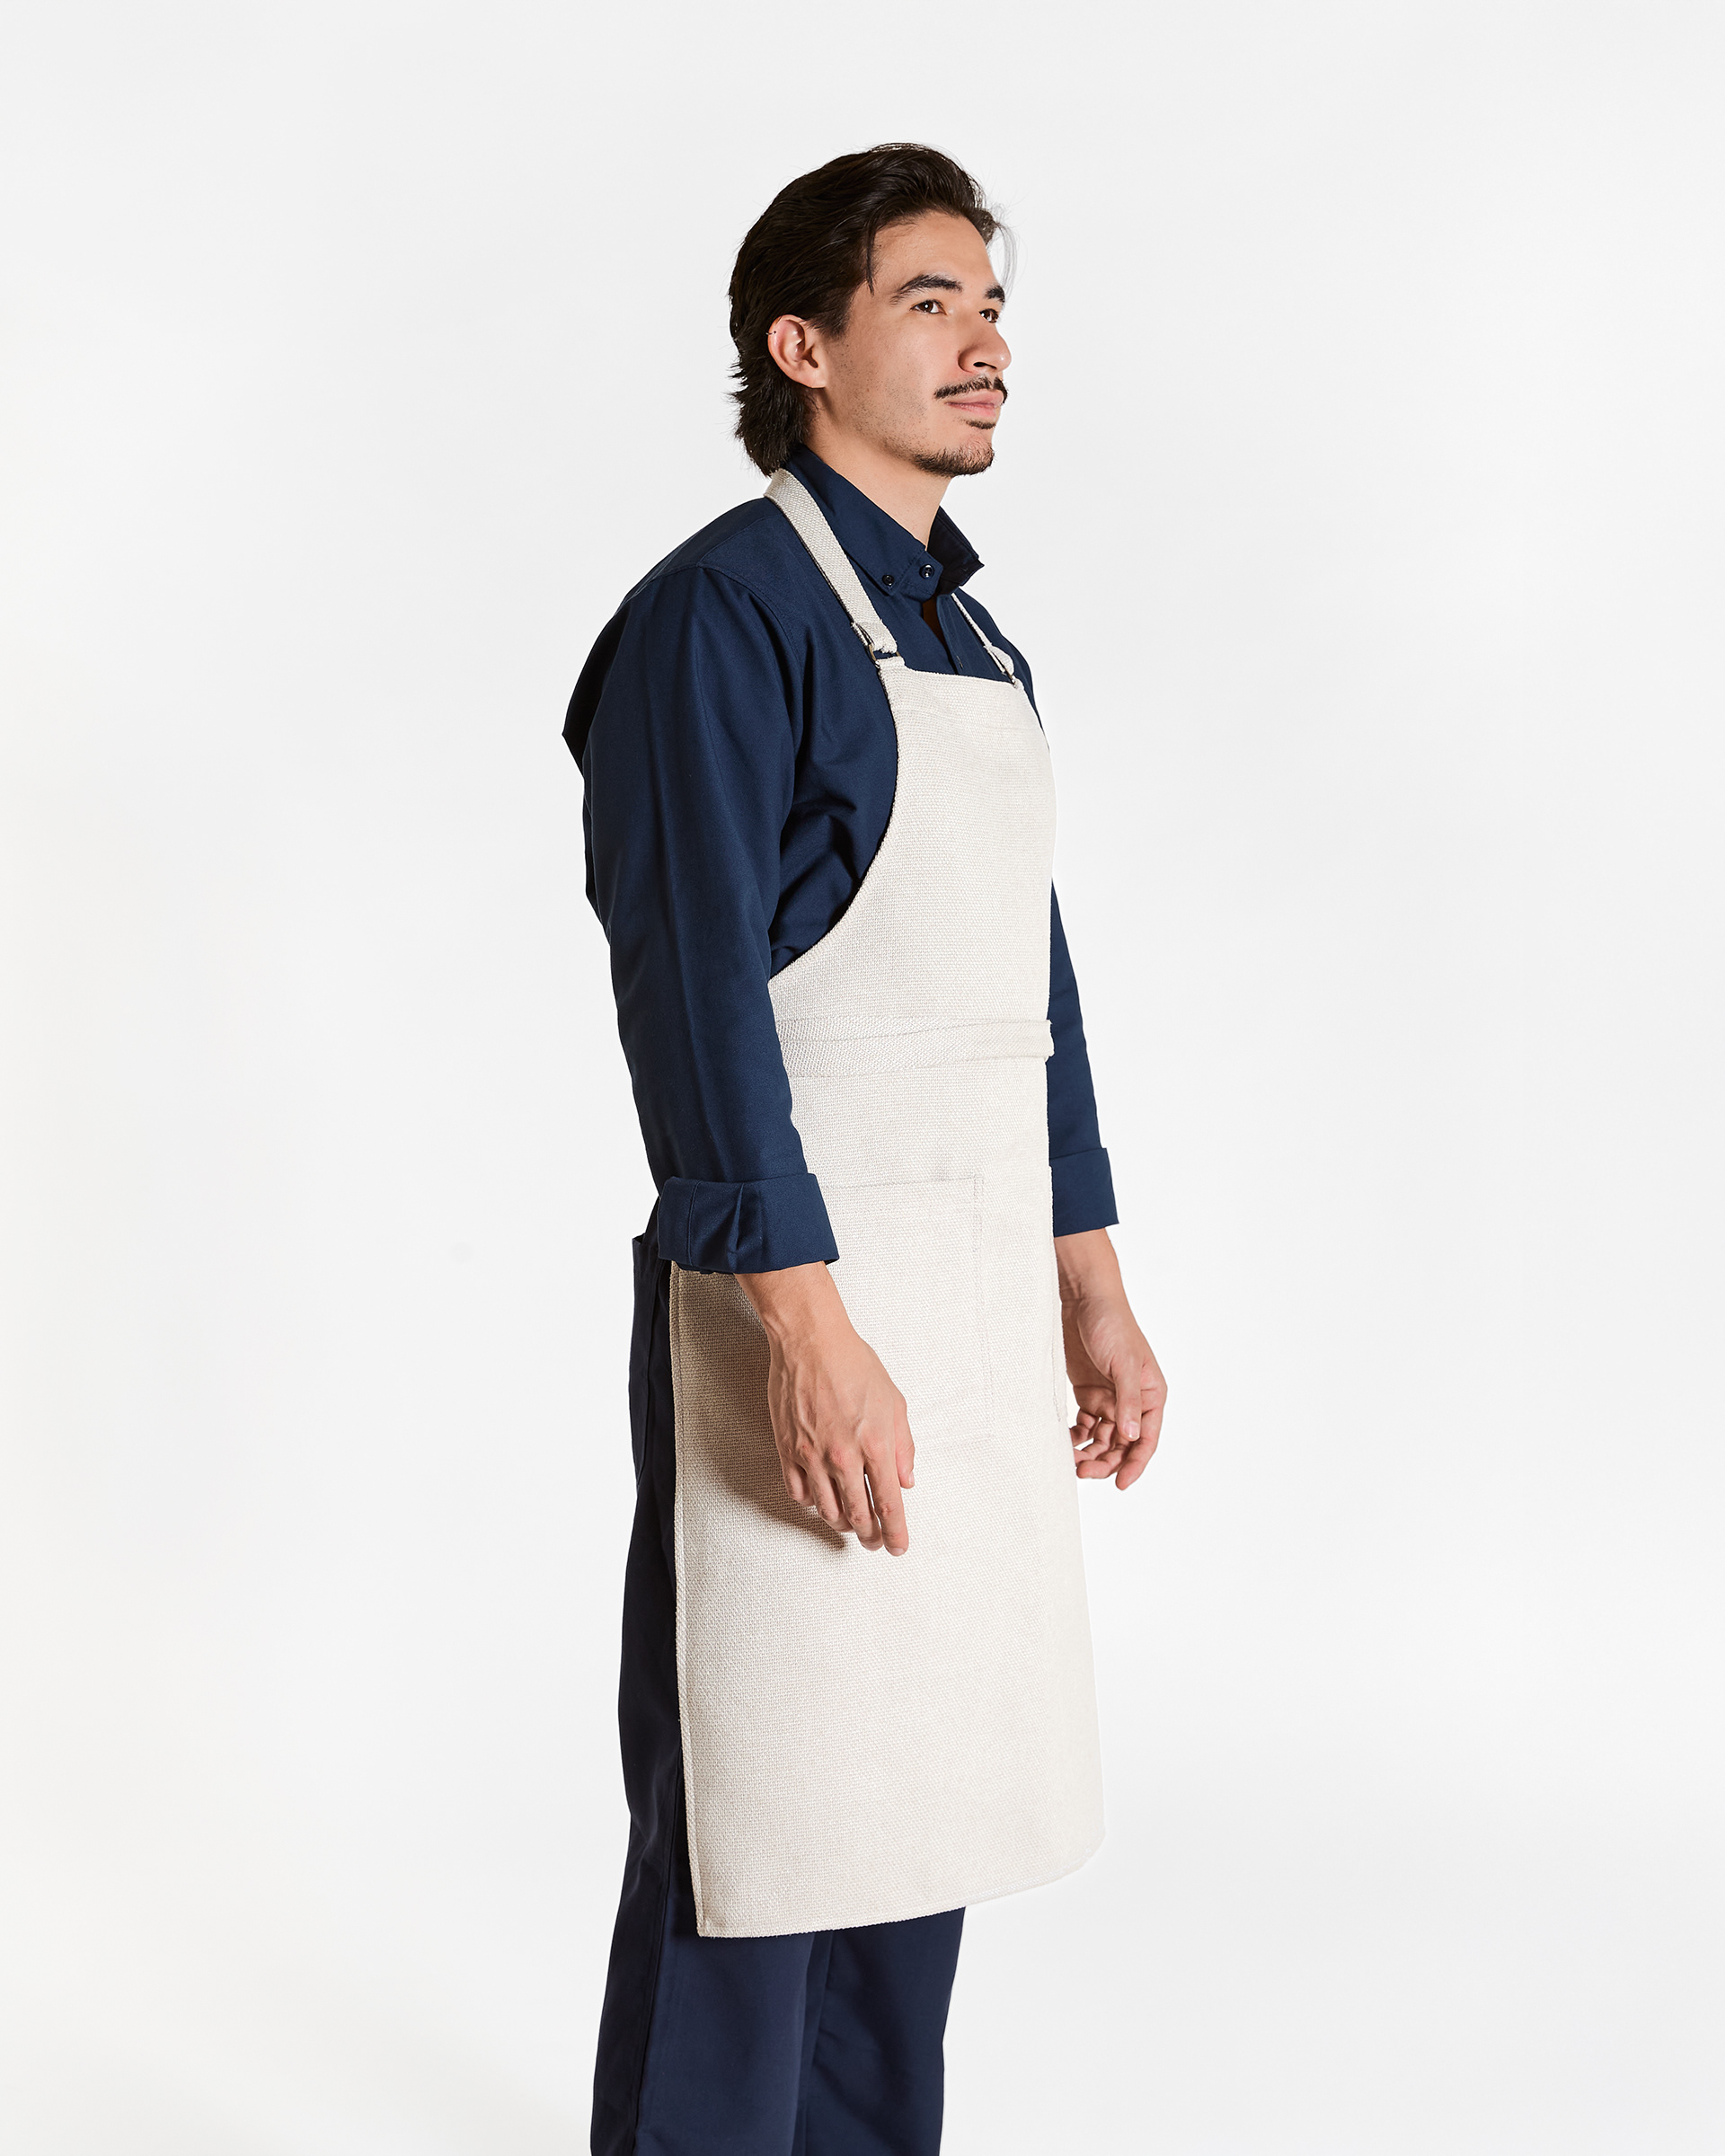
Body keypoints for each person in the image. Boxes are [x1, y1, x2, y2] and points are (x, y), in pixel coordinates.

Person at [565, 142, 1167, 2156]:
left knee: (918, 1818)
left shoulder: (971, 642)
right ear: (802, 346)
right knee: (764, 1826)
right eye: (931, 302)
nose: (985, 343)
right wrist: (805, 1330)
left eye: (993, 307)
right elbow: (697, 1005)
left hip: (977, 1308)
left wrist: (1089, 1279)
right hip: (792, 1303)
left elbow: (1023, 990)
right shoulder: (719, 620)